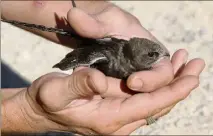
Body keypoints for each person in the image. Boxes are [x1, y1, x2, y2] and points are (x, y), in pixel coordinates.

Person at [1, 1, 205, 135]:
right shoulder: (109, 56)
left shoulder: (132, 51)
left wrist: (96, 13)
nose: (161, 56)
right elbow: (91, 53)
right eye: (153, 55)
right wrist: (28, 113)